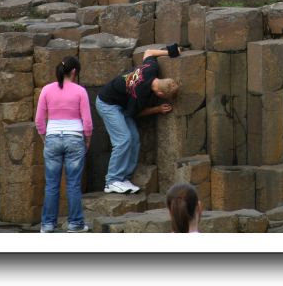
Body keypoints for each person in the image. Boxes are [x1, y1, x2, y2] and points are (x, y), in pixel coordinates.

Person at [96, 44, 181, 194]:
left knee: (134, 138)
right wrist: (158, 109)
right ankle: (112, 181)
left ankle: (124, 178)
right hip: (107, 103)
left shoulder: (151, 70)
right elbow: (136, 113)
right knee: (123, 139)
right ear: (160, 95)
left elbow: (148, 52)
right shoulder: (140, 94)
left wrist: (171, 51)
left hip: (121, 104)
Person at [35, 55, 94, 233]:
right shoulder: (80, 91)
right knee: (73, 184)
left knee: (51, 184)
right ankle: (75, 224)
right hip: (75, 138)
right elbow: (88, 121)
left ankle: (47, 224)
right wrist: (87, 139)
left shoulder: (46, 90)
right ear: (74, 71)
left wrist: (45, 139)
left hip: (52, 137)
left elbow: (39, 120)